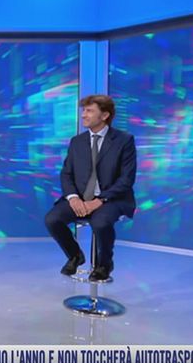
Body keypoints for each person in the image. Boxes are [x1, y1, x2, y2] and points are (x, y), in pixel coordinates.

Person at [44, 95, 136, 281]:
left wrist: (100, 200)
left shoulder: (124, 141)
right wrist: (73, 197)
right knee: (52, 219)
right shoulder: (77, 142)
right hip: (80, 197)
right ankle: (75, 255)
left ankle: (104, 264)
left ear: (104, 115)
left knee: (100, 223)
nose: (83, 115)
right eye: (83, 110)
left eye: (89, 111)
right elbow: (66, 174)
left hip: (111, 199)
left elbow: (126, 179)